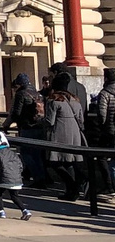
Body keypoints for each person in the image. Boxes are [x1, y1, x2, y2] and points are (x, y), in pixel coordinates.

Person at [43, 69, 89, 200]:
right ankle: (72, 189)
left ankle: (72, 187)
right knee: (69, 162)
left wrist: (39, 120)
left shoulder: (54, 101)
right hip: (75, 134)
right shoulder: (75, 100)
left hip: (59, 133)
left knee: (54, 162)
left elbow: (49, 121)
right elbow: (81, 120)